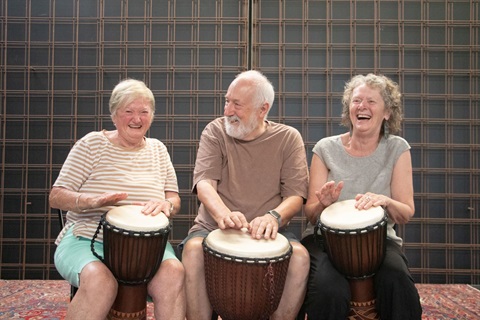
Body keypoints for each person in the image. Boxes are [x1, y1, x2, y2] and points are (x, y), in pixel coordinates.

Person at [50, 79, 186, 320]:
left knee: (174, 272)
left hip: (148, 246)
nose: (137, 119)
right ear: (114, 115)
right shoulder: (91, 144)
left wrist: (168, 205)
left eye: (144, 112)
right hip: (87, 237)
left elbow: (174, 199)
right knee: (100, 281)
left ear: (152, 116)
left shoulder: (158, 150)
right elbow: (56, 196)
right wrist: (91, 201)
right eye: (128, 111)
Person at [180, 70, 310, 320]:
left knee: (300, 258)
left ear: (263, 109)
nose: (228, 110)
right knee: (194, 250)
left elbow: (295, 195)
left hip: (271, 233)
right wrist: (224, 215)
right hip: (213, 228)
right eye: (227, 101)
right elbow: (204, 182)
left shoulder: (288, 138)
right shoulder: (215, 131)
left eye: (236, 104)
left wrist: (273, 217)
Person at [300, 73, 422, 320]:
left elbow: (406, 212)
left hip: (379, 241)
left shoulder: (397, 148)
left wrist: (385, 201)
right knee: (328, 288)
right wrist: (323, 204)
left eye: (371, 102)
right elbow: (311, 215)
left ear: (387, 112)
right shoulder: (325, 148)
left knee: (397, 280)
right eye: (356, 101)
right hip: (324, 241)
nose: (362, 107)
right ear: (349, 108)